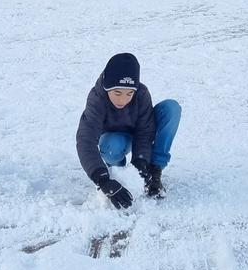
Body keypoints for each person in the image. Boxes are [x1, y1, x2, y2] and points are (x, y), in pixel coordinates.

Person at [76, 53, 182, 209]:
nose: (123, 100)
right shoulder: (97, 99)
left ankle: (154, 170)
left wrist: (141, 162)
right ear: (107, 88)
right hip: (114, 140)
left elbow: (145, 132)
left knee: (171, 108)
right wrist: (103, 179)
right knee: (112, 145)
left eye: (129, 93)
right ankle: (116, 171)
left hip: (135, 134)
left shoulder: (142, 94)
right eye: (117, 93)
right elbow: (85, 140)